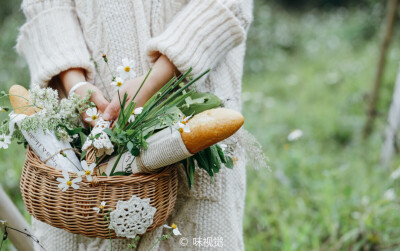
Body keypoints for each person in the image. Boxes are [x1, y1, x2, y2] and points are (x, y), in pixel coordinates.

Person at [16, 0, 253, 250]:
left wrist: (153, 81)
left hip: (187, 99)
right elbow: (47, 7)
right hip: (79, 115)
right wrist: (75, 86)